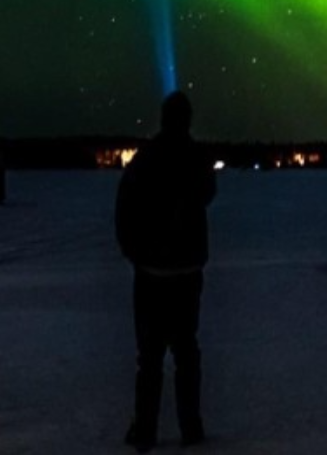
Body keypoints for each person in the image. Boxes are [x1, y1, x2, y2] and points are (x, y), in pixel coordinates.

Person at [115, 91, 217, 452]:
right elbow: (207, 192)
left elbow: (124, 210)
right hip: (186, 273)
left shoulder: (144, 160)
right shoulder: (196, 158)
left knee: (151, 357)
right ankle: (191, 427)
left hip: (152, 275)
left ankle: (145, 430)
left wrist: (136, 254)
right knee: (186, 351)